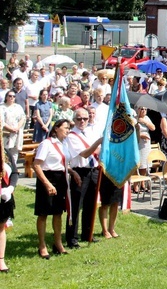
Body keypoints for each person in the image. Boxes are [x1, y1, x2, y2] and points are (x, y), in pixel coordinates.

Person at [33, 120, 74, 257]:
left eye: (69, 128)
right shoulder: (47, 144)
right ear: (56, 128)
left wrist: (73, 173)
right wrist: (47, 184)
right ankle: (42, 245)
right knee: (43, 213)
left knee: (58, 213)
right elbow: (37, 165)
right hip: (48, 178)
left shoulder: (64, 145)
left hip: (61, 178)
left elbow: (62, 163)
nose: (68, 130)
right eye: (65, 128)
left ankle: (58, 243)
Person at [64, 109, 102, 246]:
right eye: (79, 119)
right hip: (79, 172)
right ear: (74, 120)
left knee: (90, 204)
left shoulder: (90, 132)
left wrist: (96, 146)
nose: (82, 121)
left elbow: (97, 151)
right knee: (76, 205)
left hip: (93, 170)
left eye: (85, 119)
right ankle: (72, 238)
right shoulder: (72, 136)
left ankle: (87, 233)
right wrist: (97, 143)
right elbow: (85, 154)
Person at [1, 150, 18, 272]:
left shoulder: (5, 153)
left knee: (1, 227)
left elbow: (15, 172)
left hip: (4, 196)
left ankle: (0, 260)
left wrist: (10, 187)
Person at [1, 90, 26, 168]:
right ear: (6, 97)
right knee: (5, 151)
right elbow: (1, 121)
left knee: (15, 152)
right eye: (10, 96)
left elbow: (23, 118)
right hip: (6, 133)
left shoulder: (18, 107)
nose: (12, 98)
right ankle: (6, 168)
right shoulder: (2, 107)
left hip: (16, 132)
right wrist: (10, 129)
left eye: (13, 96)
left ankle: (14, 168)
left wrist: (17, 128)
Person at [134, 107, 155, 194]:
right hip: (138, 142)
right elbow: (132, 131)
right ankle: (135, 185)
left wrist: (145, 122)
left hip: (146, 144)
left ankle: (142, 183)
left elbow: (153, 128)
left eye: (145, 109)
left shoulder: (146, 118)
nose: (143, 111)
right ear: (137, 109)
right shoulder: (134, 118)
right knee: (137, 164)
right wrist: (141, 135)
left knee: (144, 164)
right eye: (141, 109)